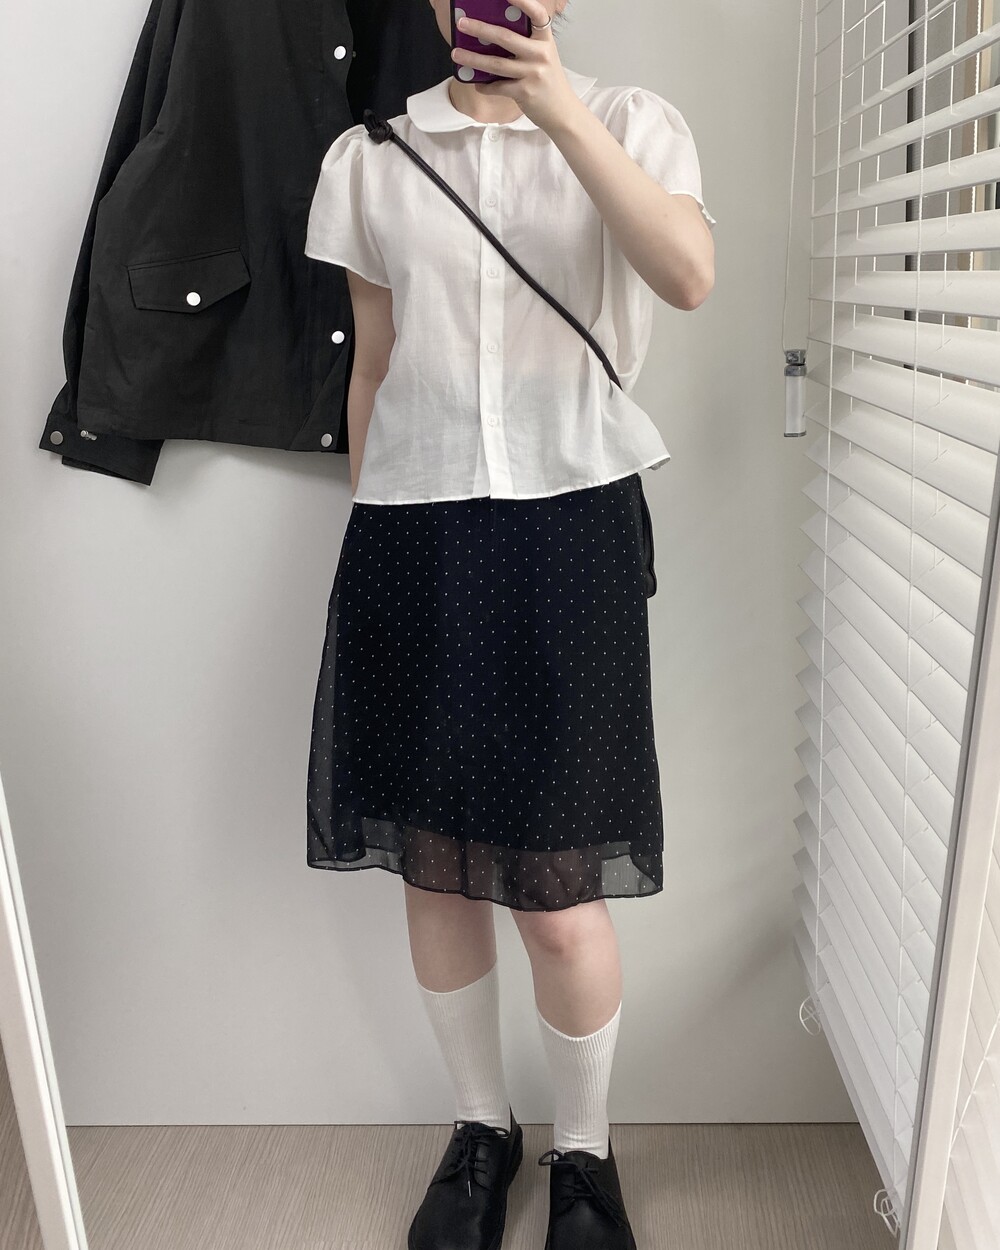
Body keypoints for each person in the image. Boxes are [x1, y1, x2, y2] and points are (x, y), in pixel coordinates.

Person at [303, 0, 716, 1246]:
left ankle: (582, 1151)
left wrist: (558, 112)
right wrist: (369, 523)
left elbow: (688, 276)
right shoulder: (370, 156)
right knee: (436, 866)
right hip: (411, 531)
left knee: (556, 884)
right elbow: (373, 362)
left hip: (570, 524)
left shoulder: (631, 122)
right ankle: (479, 1129)